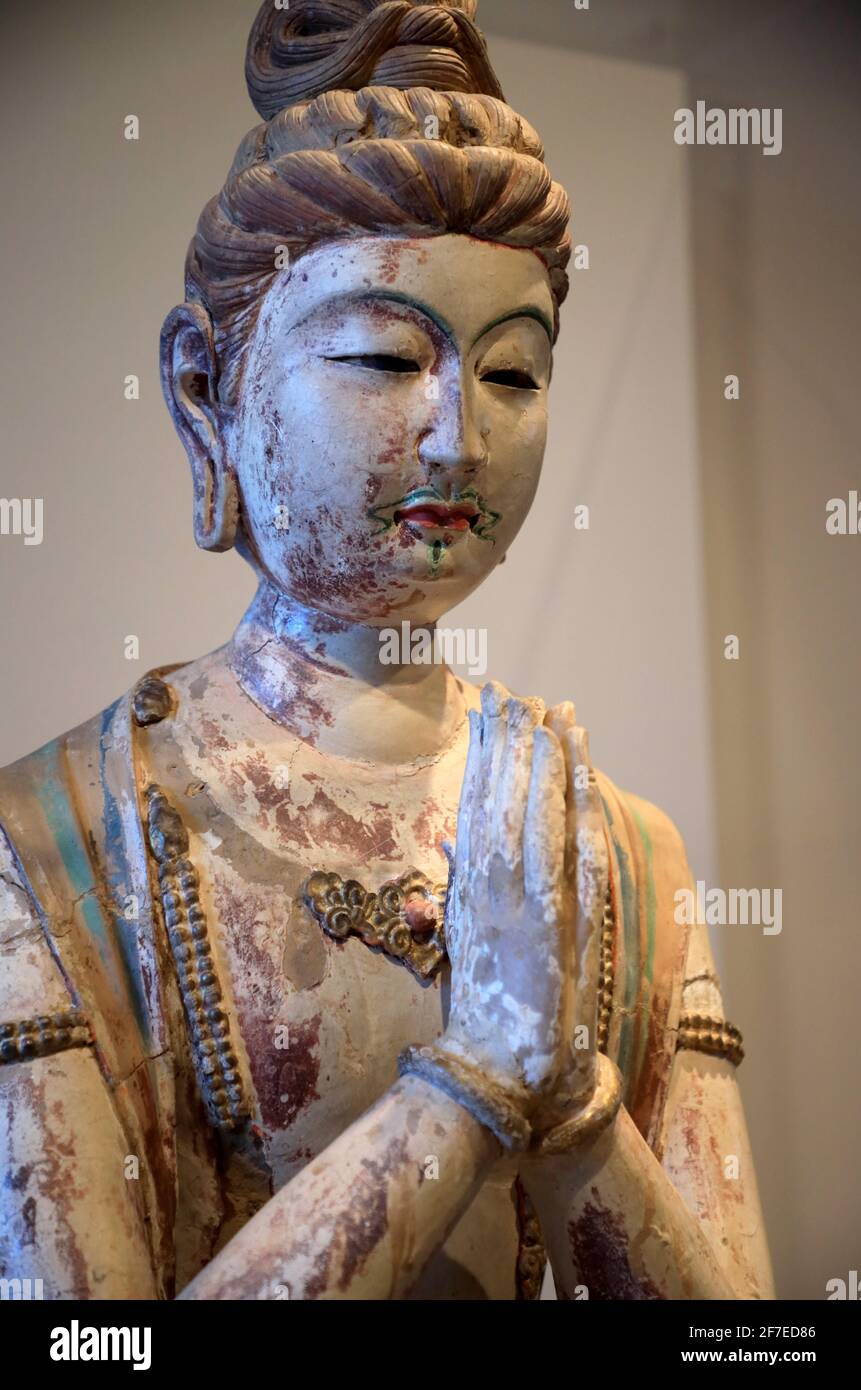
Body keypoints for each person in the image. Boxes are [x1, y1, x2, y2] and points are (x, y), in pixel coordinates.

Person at [0, 0, 773, 1300]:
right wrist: (471, 1088)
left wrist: (571, 1098)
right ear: (208, 390)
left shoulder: (619, 855)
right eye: (380, 355)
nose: (453, 435)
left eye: (513, 373)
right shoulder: (53, 845)